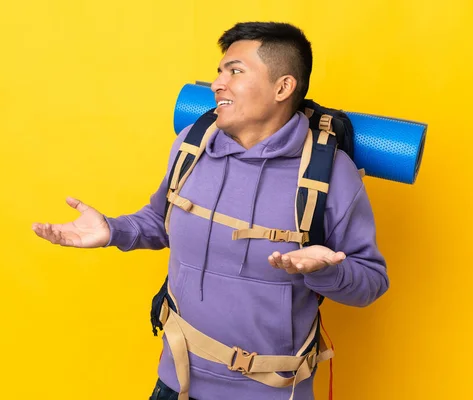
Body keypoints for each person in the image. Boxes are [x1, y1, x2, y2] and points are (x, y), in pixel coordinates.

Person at [32, 21, 389, 400]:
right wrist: (112, 230)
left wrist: (327, 270)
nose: (219, 83)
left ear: (283, 87)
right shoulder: (192, 145)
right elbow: (160, 221)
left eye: (235, 71)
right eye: (219, 71)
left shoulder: (331, 173)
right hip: (175, 382)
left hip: (270, 393)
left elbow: (371, 282)